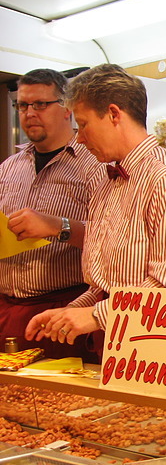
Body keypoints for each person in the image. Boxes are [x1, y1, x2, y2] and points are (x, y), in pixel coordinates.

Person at [24, 64, 166, 359]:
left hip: (153, 353)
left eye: (84, 125)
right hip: (110, 346)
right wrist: (71, 311)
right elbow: (105, 285)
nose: (79, 139)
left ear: (114, 114)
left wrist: (95, 316)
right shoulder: (106, 180)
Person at [0, 68, 105, 362]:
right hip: (8, 309)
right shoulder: (9, 167)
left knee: (62, 403)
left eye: (40, 104)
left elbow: (113, 239)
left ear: (66, 108)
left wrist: (56, 226)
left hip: (66, 307)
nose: (29, 113)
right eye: (22, 105)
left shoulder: (95, 161)